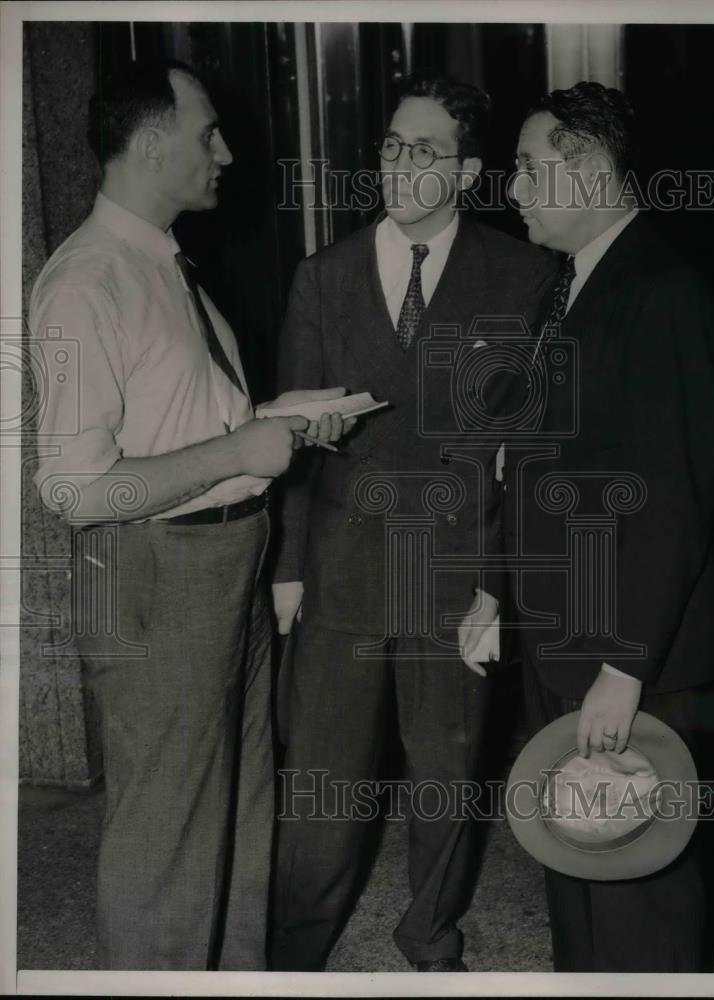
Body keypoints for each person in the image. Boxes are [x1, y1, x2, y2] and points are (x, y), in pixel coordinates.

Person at [30, 60, 352, 971]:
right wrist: (235, 454)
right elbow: (77, 489)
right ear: (149, 144)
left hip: (224, 561)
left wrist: (273, 419)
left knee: (240, 809)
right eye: (208, 132)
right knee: (167, 824)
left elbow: (190, 423)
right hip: (152, 572)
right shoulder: (84, 284)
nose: (228, 151)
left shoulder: (166, 264)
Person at [269, 74, 556, 972]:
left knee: (448, 775)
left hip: (457, 566)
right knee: (323, 782)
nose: (398, 165)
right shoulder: (323, 276)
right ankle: (293, 950)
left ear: (467, 170)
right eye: (392, 146)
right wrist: (286, 570)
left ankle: (429, 935)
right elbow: (288, 441)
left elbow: (530, 451)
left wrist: (499, 587)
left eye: (422, 151)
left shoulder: (525, 277)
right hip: (343, 563)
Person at [462, 81, 714, 971]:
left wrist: (624, 666)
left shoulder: (665, 294)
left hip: (627, 653)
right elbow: (524, 461)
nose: (515, 188)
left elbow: (674, 502)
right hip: (557, 635)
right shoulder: (565, 289)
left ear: (588, 169)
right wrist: (498, 590)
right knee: (574, 850)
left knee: (641, 875)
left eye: (531, 168)